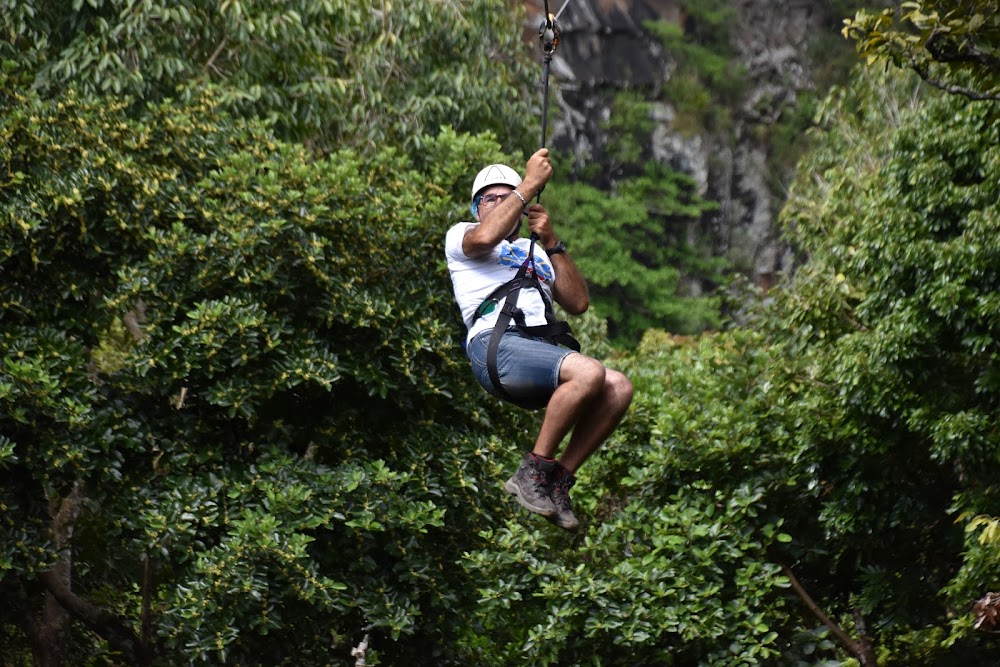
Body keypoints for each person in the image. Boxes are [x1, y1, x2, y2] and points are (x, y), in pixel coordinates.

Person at [444, 148, 633, 531]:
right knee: (589, 372)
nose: (499, 203)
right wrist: (527, 184)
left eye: (507, 196)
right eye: (490, 199)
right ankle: (532, 472)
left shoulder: (535, 252)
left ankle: (557, 481)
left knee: (617, 386)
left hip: (535, 353)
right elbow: (484, 236)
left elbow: (578, 302)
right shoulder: (463, 236)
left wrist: (551, 241)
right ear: (477, 207)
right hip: (494, 347)